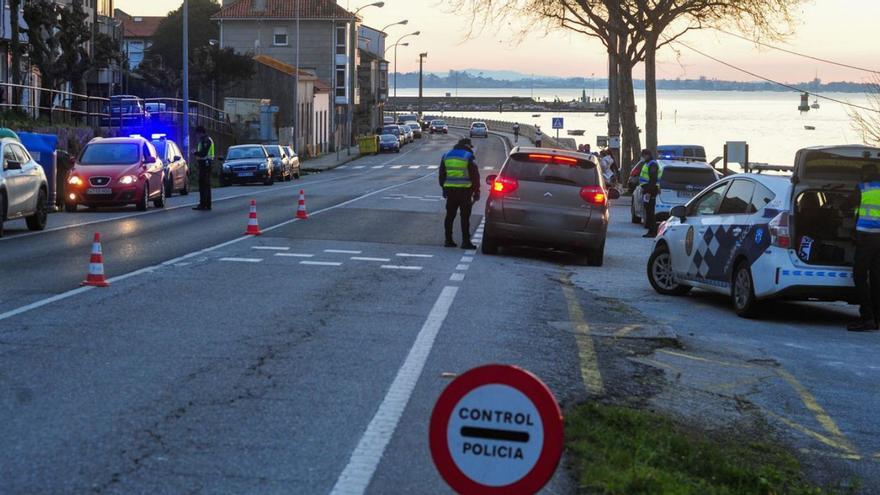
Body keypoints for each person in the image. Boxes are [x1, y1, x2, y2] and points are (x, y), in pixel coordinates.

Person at [847, 164, 880, 332]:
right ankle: (876, 318)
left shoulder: (862, 188)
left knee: (859, 275)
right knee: (876, 277)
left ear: (865, 175)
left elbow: (847, 206)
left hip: (866, 236)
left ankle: (867, 318)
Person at [439, 138, 480, 249]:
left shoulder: (446, 155)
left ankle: (448, 240)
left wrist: (444, 188)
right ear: (467, 146)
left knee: (450, 216)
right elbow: (475, 176)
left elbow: (442, 174)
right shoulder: (468, 156)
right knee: (465, 217)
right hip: (465, 192)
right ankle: (466, 242)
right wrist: (477, 191)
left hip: (450, 191)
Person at [638, 149, 660, 238]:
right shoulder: (648, 164)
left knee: (650, 212)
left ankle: (653, 231)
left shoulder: (652, 164)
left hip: (650, 190)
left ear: (647, 155)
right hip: (648, 190)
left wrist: (648, 192)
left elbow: (653, 180)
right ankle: (651, 231)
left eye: (643, 156)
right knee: (648, 211)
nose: (642, 157)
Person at [193, 126, 215, 211]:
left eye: (197, 134)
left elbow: (203, 153)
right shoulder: (206, 140)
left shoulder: (206, 141)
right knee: (206, 185)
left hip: (205, 164)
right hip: (205, 164)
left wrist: (195, 152)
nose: (196, 136)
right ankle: (207, 204)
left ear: (200, 133)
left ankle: (203, 204)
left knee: (203, 185)